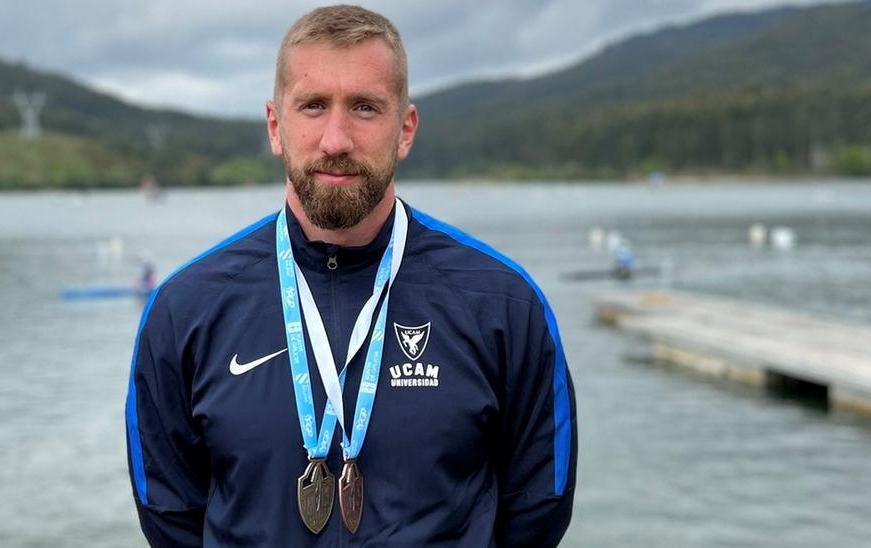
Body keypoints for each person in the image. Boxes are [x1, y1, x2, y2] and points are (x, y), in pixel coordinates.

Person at [125, 5, 576, 546]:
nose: (336, 139)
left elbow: (538, 509)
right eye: (313, 106)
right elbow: (170, 514)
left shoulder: (503, 303)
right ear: (276, 126)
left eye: (365, 107)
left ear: (405, 130)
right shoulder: (185, 310)